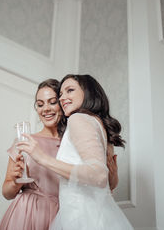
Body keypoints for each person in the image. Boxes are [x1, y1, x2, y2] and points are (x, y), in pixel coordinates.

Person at [17, 74, 133, 230]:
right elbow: (110, 183)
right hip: (97, 214)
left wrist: (41, 158)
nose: (63, 98)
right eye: (61, 94)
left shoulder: (78, 119)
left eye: (69, 90)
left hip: (81, 217)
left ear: (88, 92)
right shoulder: (98, 125)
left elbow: (99, 175)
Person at [0, 79, 63, 230]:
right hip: (27, 214)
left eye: (52, 102)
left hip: (61, 217)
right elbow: (6, 193)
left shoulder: (71, 145)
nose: (45, 109)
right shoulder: (24, 141)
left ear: (62, 103)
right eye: (40, 104)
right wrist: (15, 182)